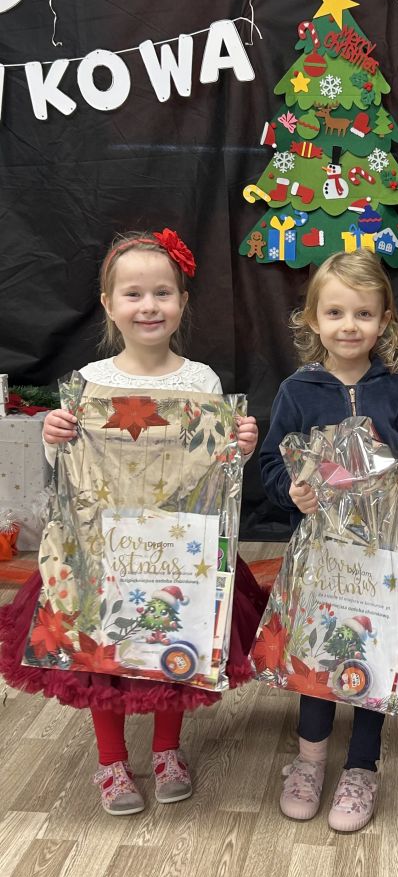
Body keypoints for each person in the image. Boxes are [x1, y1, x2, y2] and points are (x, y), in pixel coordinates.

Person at [0, 229, 266, 815]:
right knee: (101, 654)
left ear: (182, 302)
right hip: (103, 552)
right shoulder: (89, 382)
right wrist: (53, 437)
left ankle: (168, 749)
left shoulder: (201, 382)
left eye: (163, 293)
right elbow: (67, 472)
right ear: (109, 303)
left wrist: (239, 446)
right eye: (134, 294)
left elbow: (213, 472)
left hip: (175, 550)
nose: (149, 306)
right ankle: (112, 761)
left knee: (175, 640)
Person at [260, 249, 398, 833]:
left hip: (382, 555)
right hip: (322, 554)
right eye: (335, 313)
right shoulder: (297, 391)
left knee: (373, 652)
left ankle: (361, 768)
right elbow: (271, 463)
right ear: (313, 320)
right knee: (319, 650)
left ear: (384, 320)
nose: (349, 326)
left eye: (363, 313)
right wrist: (292, 491)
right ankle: (309, 762)